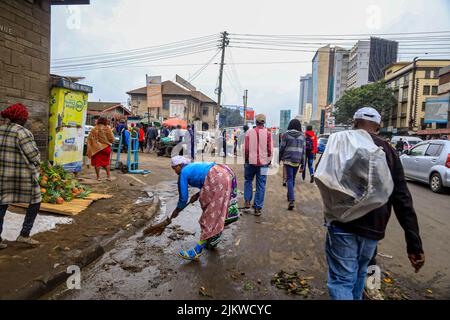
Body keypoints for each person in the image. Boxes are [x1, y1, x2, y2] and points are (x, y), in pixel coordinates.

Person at [324, 107, 424, 300]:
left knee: (342, 280)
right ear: (378, 126)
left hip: (342, 224)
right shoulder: (389, 151)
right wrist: (414, 244)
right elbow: (402, 198)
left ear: (354, 123)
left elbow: (324, 178)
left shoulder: (341, 143)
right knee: (360, 272)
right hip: (373, 228)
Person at [170, 156, 239, 261]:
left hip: (217, 178)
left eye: (174, 168)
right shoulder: (191, 167)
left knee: (210, 216)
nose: (174, 171)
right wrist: (197, 195)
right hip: (224, 173)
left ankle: (197, 251)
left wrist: (177, 210)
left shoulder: (183, 173)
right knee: (216, 211)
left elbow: (183, 198)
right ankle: (213, 239)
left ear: (180, 166)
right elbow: (204, 179)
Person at [0, 103, 42, 247]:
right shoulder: (22, 132)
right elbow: (34, 155)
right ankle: (24, 234)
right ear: (21, 118)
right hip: (21, 177)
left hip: (2, 176)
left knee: (2, 203)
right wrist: (39, 163)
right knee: (36, 200)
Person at [244, 114, 273, 216]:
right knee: (261, 184)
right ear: (264, 122)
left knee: (248, 180)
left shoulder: (249, 132)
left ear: (256, 122)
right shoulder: (268, 134)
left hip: (250, 162)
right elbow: (270, 150)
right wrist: (269, 160)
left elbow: (246, 149)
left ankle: (247, 202)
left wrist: (247, 159)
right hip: (263, 163)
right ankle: (258, 208)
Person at [279, 119, 306, 211]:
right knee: (292, 179)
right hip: (297, 159)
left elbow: (282, 147)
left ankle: (291, 199)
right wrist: (303, 164)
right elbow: (304, 151)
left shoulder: (286, 135)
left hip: (288, 159)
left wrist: (279, 158)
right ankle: (290, 195)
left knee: (289, 179)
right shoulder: (302, 136)